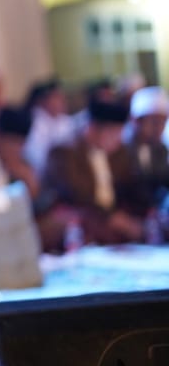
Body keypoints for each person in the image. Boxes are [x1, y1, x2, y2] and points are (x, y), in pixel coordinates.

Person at [38, 99, 142, 250]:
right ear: (93, 129)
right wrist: (110, 217)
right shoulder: (63, 152)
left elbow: (130, 186)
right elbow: (75, 194)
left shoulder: (120, 154)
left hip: (115, 218)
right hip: (81, 218)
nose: (118, 140)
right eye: (114, 133)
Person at [124, 86, 169, 218]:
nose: (159, 128)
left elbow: (163, 179)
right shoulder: (122, 149)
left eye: (163, 122)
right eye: (154, 122)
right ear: (135, 121)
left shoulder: (160, 148)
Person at [22, 80, 76, 174]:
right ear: (42, 101)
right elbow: (36, 158)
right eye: (57, 97)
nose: (62, 100)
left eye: (62, 96)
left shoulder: (65, 121)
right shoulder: (33, 122)